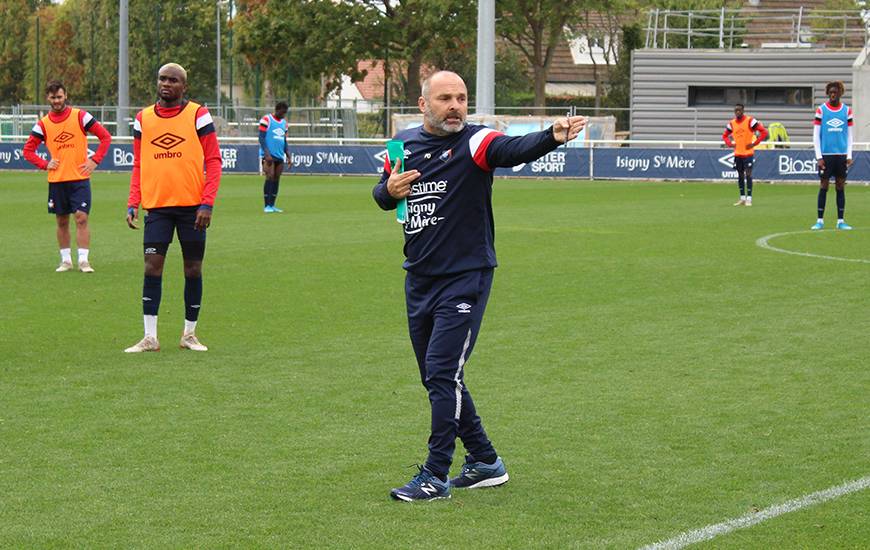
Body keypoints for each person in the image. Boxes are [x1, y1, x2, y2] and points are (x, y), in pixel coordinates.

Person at [372, 70, 586, 502]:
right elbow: (385, 196)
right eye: (445, 98)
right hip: (418, 277)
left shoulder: (475, 142)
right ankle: (486, 461)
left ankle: (435, 474)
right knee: (438, 376)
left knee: (442, 373)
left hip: (465, 278)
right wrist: (387, 189)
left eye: (461, 97)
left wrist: (551, 136)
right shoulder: (403, 147)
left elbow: (511, 149)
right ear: (423, 104)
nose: (455, 105)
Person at [124, 63, 222, 353]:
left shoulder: (198, 114)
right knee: (152, 268)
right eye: (162, 79)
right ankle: (150, 337)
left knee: (193, 269)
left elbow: (214, 161)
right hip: (157, 208)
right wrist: (133, 201)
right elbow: (139, 163)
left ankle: (189, 334)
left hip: (193, 209)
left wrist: (207, 203)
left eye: (173, 80)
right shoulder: (143, 119)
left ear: (184, 86)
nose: (166, 84)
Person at [23, 80, 112, 272]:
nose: (56, 101)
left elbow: (105, 137)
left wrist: (95, 160)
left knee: (81, 218)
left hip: (79, 179)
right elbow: (28, 151)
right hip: (57, 181)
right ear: (48, 98)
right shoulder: (43, 125)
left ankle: (83, 260)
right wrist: (45, 164)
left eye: (59, 97)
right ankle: (65, 261)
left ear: (66, 96)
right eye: (53, 97)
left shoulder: (80, 116)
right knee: (61, 221)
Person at [811, 81, 854, 231]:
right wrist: (819, 156)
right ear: (828, 93)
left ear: (840, 93)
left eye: (835, 92)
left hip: (841, 155)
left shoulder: (847, 111)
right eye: (830, 92)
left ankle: (840, 221)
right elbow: (816, 135)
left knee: (840, 187)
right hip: (826, 156)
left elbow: (849, 136)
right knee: (824, 186)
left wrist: (849, 155)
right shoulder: (821, 110)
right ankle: (820, 221)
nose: (833, 95)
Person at [722, 103, 767, 207]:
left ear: (743, 111)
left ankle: (749, 199)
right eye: (736, 110)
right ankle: (742, 198)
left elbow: (764, 132)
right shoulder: (732, 123)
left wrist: (754, 143)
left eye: (739, 110)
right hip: (738, 154)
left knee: (749, 175)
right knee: (740, 176)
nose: (737, 112)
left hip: (748, 154)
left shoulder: (750, 121)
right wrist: (729, 144)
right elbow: (724, 136)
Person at [259, 101, 291, 212]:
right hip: (269, 155)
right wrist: (266, 154)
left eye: (285, 113)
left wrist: (288, 155)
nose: (283, 115)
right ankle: (266, 205)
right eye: (282, 112)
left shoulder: (284, 123)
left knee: (277, 178)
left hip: (279, 155)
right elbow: (261, 138)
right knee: (270, 176)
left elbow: (284, 140)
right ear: (277, 110)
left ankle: (272, 205)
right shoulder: (266, 120)